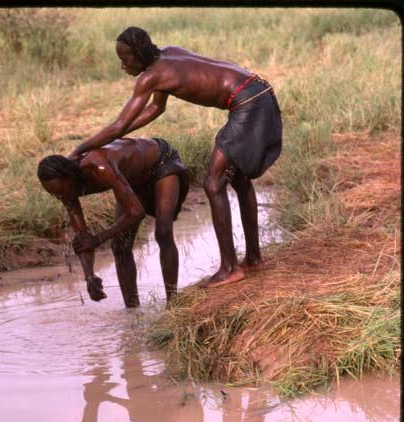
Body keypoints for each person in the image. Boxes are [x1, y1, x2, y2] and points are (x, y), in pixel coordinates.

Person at [68, 26, 282, 288]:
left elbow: (118, 125)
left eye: (125, 59)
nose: (123, 65)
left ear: (138, 54)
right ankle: (253, 258)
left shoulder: (149, 78)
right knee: (238, 178)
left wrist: (80, 149)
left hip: (246, 102)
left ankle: (230, 268)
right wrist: (121, 133)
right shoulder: (168, 54)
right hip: (258, 90)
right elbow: (156, 109)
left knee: (213, 183)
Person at [37, 137, 189, 306]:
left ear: (70, 178)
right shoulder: (66, 192)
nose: (59, 196)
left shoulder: (98, 168)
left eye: (60, 190)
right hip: (132, 180)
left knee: (163, 232)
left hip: (160, 163)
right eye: (53, 194)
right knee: (119, 245)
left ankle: (172, 303)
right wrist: (89, 276)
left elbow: (136, 212)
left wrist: (99, 238)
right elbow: (83, 238)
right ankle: (132, 311)